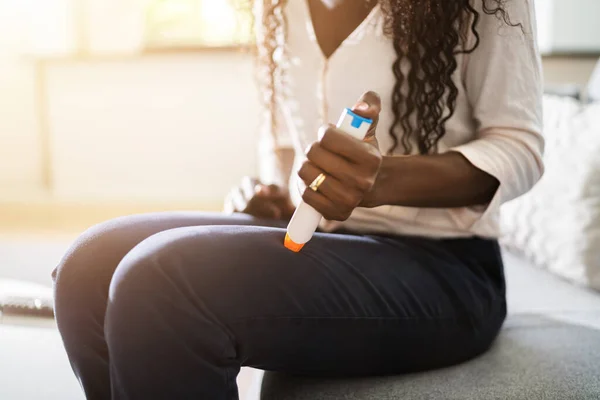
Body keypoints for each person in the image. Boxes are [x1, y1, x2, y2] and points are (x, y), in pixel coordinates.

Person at [53, 0, 544, 398]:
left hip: (445, 268)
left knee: (159, 282)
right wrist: (270, 191)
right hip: (311, 234)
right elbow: (285, 141)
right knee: (88, 266)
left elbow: (520, 149)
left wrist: (383, 180)